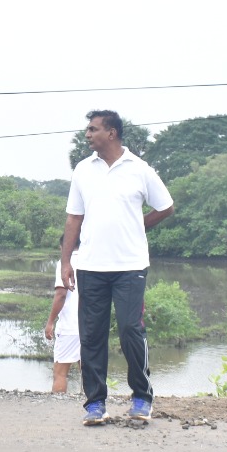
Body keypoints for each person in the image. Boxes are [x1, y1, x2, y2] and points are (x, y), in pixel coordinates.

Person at [60, 110, 175, 426]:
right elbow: (74, 218)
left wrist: (138, 225)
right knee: (91, 335)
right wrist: (66, 261)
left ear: (111, 133)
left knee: (130, 330)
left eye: (93, 129)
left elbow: (166, 207)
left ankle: (142, 398)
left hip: (130, 265)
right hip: (90, 266)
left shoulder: (139, 169)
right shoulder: (83, 170)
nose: (87, 134)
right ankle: (95, 404)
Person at [43, 254, 79, 394]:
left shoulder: (65, 262)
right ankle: (92, 403)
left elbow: (61, 294)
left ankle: (58, 403)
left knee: (60, 373)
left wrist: (50, 322)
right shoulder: (92, 259)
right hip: (91, 325)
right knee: (89, 371)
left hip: (70, 326)